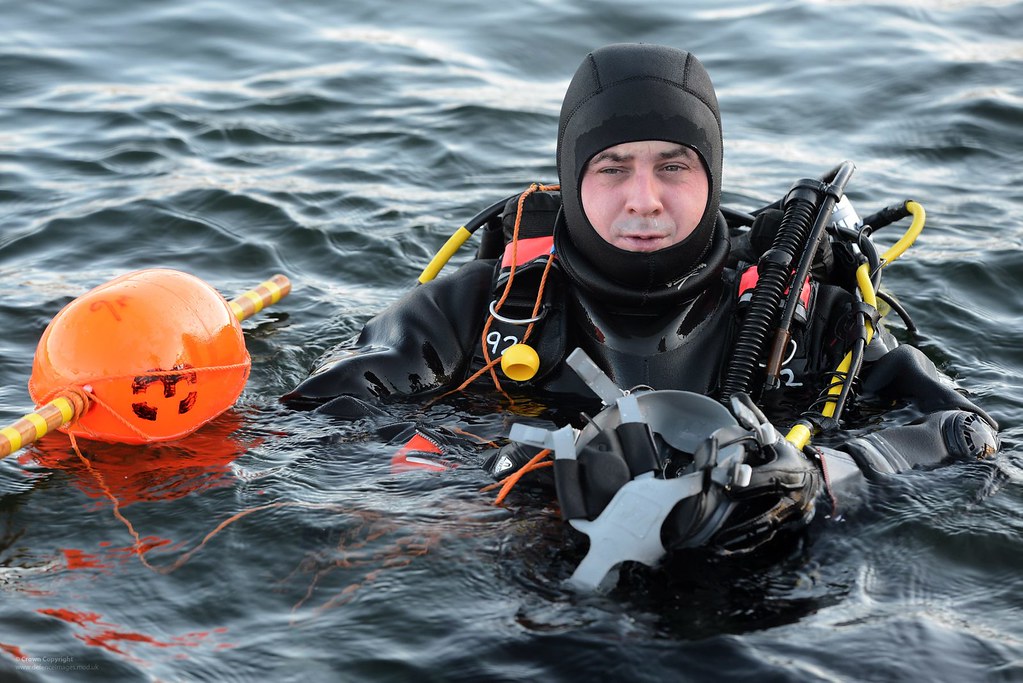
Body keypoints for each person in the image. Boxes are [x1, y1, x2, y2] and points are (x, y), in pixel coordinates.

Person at [284, 43, 999, 583]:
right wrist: (503, 479)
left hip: (760, 577)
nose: (644, 198)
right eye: (612, 165)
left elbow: (970, 435)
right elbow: (316, 426)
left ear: (710, 170)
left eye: (673, 165)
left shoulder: (804, 317)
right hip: (532, 575)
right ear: (571, 173)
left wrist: (820, 478)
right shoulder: (477, 307)